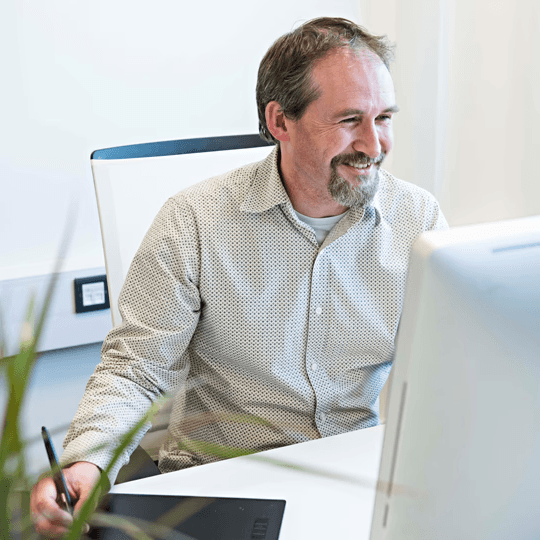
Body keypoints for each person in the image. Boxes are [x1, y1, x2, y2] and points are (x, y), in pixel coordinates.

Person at [31, 16, 448, 536]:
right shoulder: (195, 221)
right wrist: (87, 465)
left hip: (356, 474)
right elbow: (135, 369)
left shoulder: (419, 219)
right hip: (224, 486)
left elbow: (444, 368)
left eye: (383, 117)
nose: (373, 143)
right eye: (348, 120)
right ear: (280, 121)